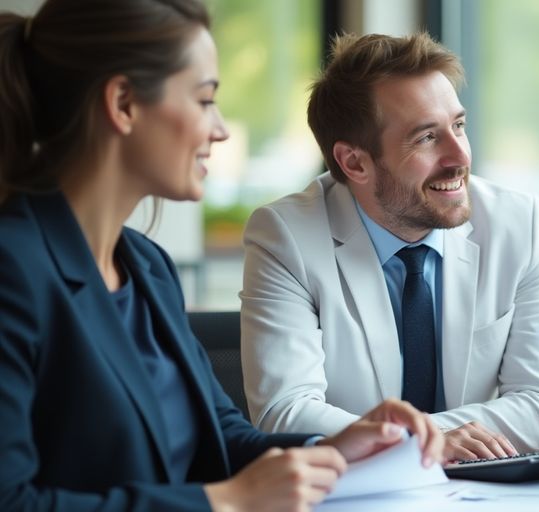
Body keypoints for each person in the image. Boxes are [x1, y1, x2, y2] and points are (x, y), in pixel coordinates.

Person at [0, 1, 443, 510]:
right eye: (205, 99)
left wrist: (336, 449)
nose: (220, 129)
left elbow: (220, 439)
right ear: (123, 103)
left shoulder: (145, 267)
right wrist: (224, 502)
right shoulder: (14, 271)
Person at [240, 32, 539, 460]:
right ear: (354, 162)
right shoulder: (286, 235)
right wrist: (427, 443)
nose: (460, 157)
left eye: (459, 126)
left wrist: (416, 440)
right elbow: (285, 414)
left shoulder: (517, 224)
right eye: (426, 137)